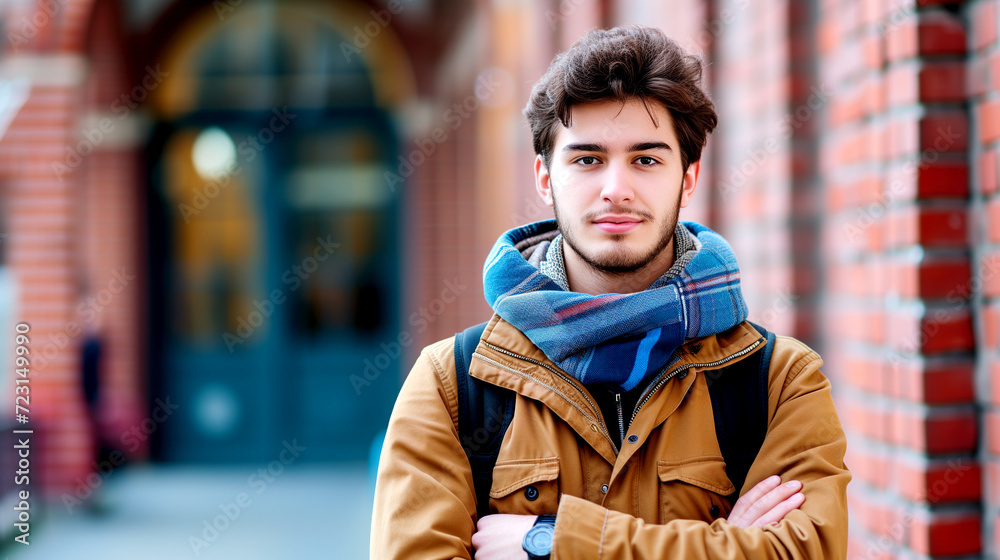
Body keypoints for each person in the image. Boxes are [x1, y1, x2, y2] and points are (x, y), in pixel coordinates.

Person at [371, 25, 850, 559]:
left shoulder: (778, 381)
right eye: (587, 159)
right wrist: (729, 545)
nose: (615, 188)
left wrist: (552, 543)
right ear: (544, 178)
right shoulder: (454, 386)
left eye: (646, 159)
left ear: (688, 179)